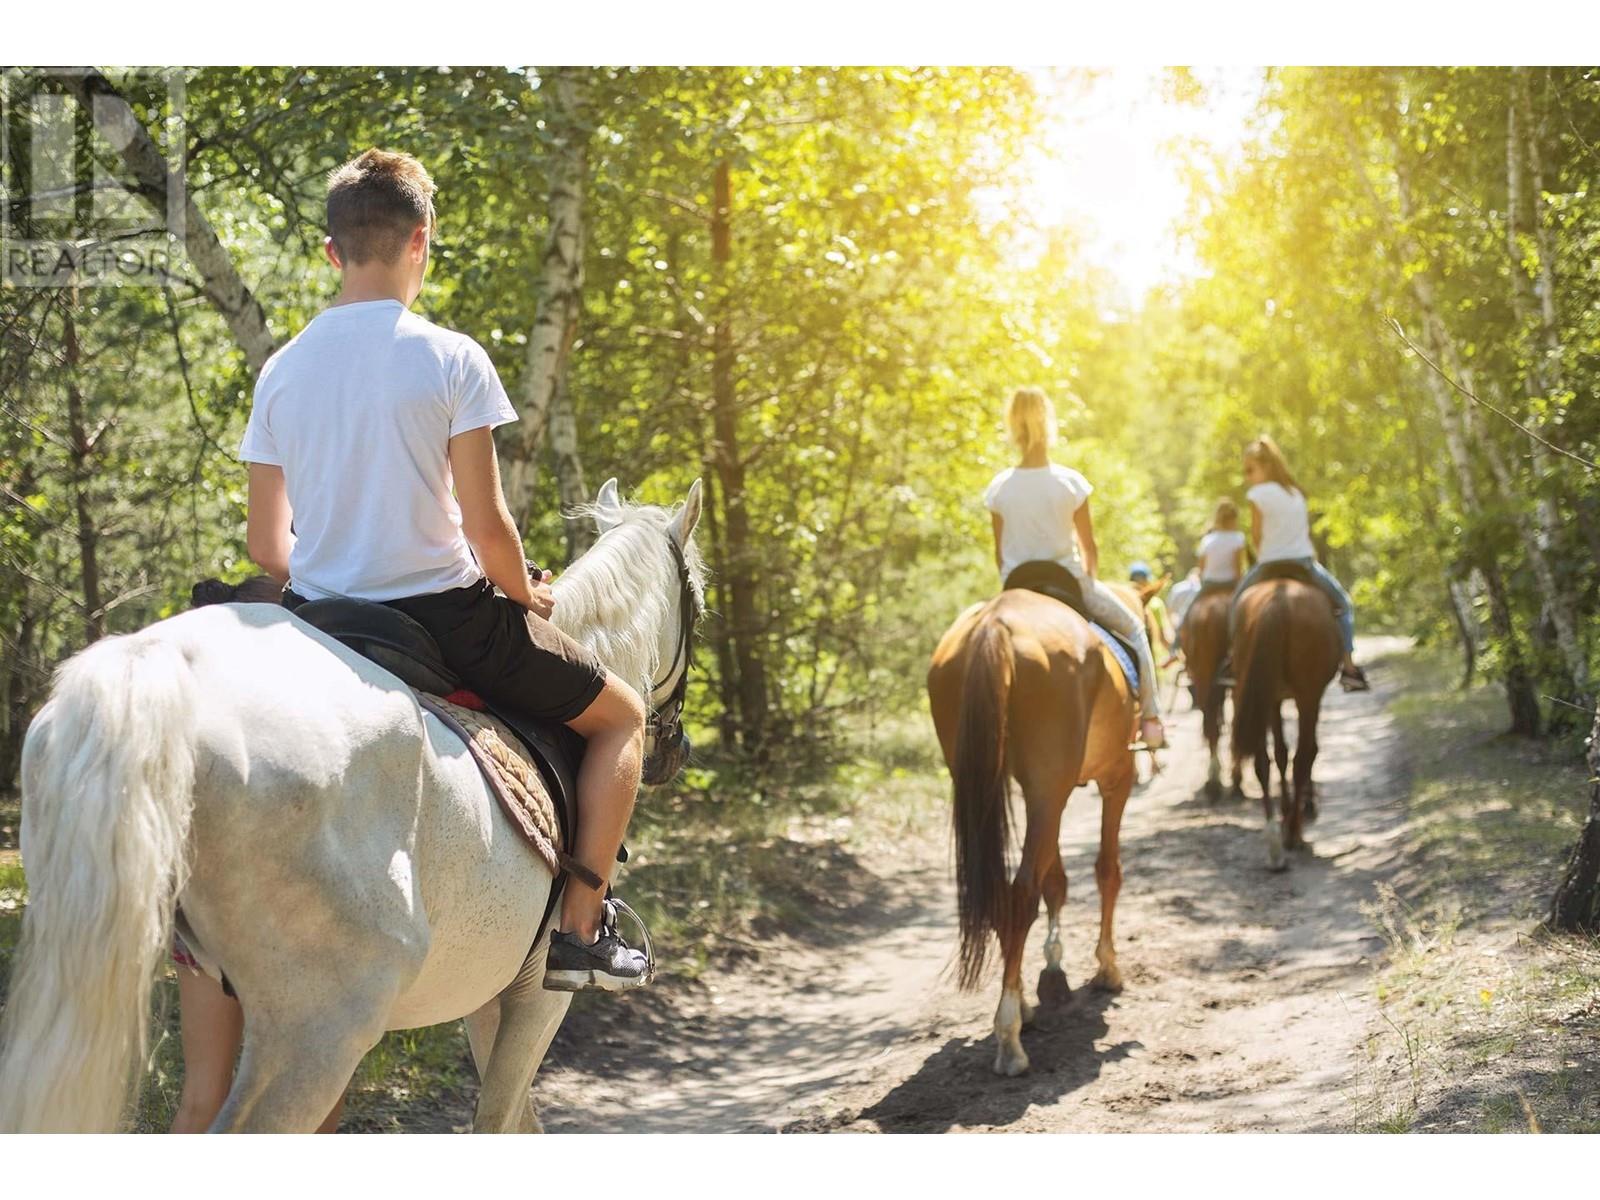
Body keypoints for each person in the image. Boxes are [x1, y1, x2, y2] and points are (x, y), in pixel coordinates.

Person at [176, 149, 654, 1131]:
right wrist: (532, 595)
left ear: (328, 250)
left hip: (312, 624)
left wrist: (332, 558)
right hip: (446, 614)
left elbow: (268, 546)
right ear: (421, 245)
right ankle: (577, 930)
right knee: (624, 720)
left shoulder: (284, 369)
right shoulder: (449, 357)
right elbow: (485, 531)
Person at [985, 387, 1165, 748]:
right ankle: (1150, 719)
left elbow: (1001, 556)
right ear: (1049, 423)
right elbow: (1089, 549)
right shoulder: (1070, 483)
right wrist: (1089, 580)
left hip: (1016, 588)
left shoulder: (999, 488)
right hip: (1068, 583)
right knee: (1133, 628)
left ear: (1012, 426)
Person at [1229, 436, 1370, 691]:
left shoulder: (1257, 494)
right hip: (1303, 563)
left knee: (1236, 605)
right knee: (1344, 604)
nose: (1247, 476)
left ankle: (1232, 660)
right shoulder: (1296, 493)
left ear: (1266, 467)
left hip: (1268, 565)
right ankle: (1349, 666)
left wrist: (1264, 554)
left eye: (1250, 469)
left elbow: (1257, 536)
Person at [1175, 497, 1247, 641]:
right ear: (1234, 519)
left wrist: (1203, 583)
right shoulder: (1238, 538)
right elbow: (1237, 569)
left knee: (1187, 611)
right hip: (1231, 584)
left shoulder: (1207, 540)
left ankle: (1175, 645)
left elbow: (1201, 570)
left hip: (1210, 584)